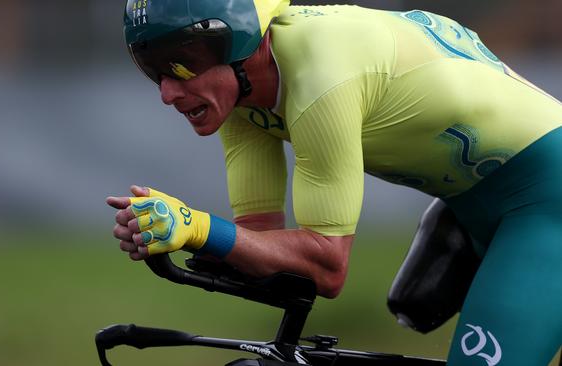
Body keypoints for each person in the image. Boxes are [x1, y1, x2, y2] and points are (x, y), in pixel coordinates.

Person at [106, 1, 562, 365]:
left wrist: (198, 227)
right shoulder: (243, 95)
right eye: (154, 70)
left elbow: (326, 268)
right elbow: (263, 250)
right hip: (476, 202)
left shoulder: (321, 75)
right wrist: (175, 236)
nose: (166, 93)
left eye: (181, 65)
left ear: (241, 39)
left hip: (548, 201)